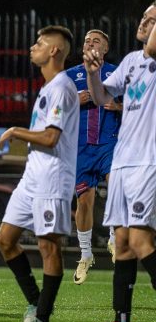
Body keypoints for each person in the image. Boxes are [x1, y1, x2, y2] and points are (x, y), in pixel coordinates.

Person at [0, 25, 79, 322]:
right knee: (5, 239)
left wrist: (16, 131)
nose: (34, 47)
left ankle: (42, 318)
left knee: (48, 246)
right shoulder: (48, 87)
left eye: (40, 43)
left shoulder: (60, 87)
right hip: (34, 175)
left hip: (53, 178)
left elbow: (51, 137)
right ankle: (35, 302)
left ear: (54, 51)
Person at [83, 1, 156, 322]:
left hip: (148, 162)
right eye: (143, 16)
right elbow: (99, 97)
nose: (144, 22)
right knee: (124, 244)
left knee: (142, 241)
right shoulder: (130, 61)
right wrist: (94, 73)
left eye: (151, 18)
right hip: (123, 162)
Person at [66, 29, 121, 284]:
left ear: (106, 48)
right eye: (87, 40)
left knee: (117, 188)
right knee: (84, 202)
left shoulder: (118, 72)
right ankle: (86, 254)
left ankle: (113, 238)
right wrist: (73, 101)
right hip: (81, 147)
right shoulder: (69, 76)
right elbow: (54, 109)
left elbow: (141, 104)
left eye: (96, 40)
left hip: (110, 143)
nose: (90, 43)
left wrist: (118, 106)